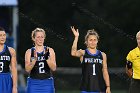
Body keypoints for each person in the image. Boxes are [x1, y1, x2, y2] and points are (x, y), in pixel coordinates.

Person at [70, 26, 111, 93]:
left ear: (97, 41)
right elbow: (73, 53)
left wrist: (108, 86)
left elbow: (105, 71)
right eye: (90, 40)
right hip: (86, 88)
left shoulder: (102, 55)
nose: (93, 42)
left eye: (94, 40)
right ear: (86, 41)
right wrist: (76, 37)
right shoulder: (83, 53)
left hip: (100, 88)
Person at [25, 28, 57, 93]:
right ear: (34, 38)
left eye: (42, 37)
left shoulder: (50, 50)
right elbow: (27, 69)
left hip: (47, 83)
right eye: (38, 37)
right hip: (33, 83)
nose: (40, 39)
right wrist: (34, 60)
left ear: (44, 38)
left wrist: (47, 58)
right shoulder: (29, 51)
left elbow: (54, 68)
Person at [0, 27, 17, 93]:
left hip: (6, 78)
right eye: (0, 35)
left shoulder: (11, 51)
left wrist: (15, 86)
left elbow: (14, 68)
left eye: (4, 35)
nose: (3, 37)